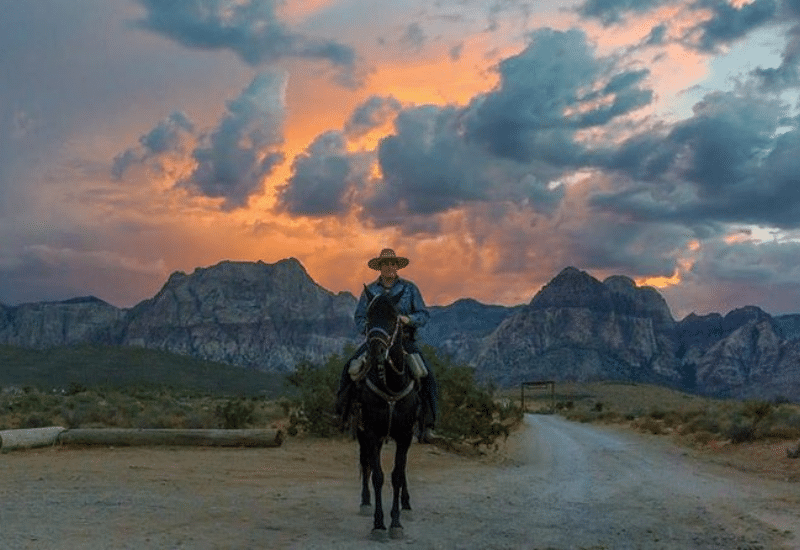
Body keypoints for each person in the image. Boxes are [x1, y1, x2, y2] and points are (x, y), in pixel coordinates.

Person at [335, 248, 439, 442]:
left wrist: (407, 319)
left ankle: (428, 425)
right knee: (348, 369)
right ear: (380, 267)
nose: (389, 267)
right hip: (377, 341)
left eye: (392, 263)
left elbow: (423, 315)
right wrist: (370, 330)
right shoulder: (370, 291)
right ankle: (343, 416)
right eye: (385, 264)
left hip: (404, 341)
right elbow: (359, 316)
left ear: (397, 266)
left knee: (428, 376)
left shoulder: (410, 289)